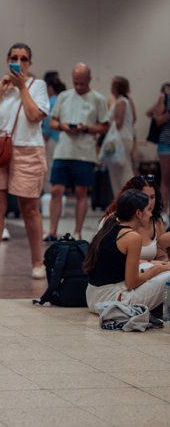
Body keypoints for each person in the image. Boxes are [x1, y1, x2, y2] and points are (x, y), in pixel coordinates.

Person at [0, 43, 50, 280]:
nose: (19, 62)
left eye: (24, 59)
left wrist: (22, 86)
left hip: (27, 151)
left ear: (30, 63)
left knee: (29, 208)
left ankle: (38, 262)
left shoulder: (38, 86)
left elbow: (35, 116)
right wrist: (0, 93)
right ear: (7, 60)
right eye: (14, 58)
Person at [43, 63, 109, 241]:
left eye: (82, 83)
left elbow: (105, 125)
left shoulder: (97, 99)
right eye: (76, 83)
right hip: (63, 150)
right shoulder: (63, 97)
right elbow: (52, 122)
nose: (78, 87)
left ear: (89, 80)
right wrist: (63, 126)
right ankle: (51, 230)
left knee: (81, 192)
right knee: (56, 190)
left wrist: (86, 128)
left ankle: (78, 231)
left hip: (84, 153)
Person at [84, 189, 170, 313]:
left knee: (148, 266)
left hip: (93, 297)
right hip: (112, 301)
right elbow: (131, 282)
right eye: (148, 210)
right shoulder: (132, 237)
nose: (151, 215)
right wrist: (157, 269)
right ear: (139, 213)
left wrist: (155, 266)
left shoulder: (111, 224)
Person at [101, 175, 166, 262]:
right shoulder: (113, 221)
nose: (149, 203)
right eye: (145, 197)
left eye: (152, 197)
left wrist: (163, 260)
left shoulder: (157, 222)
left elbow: (161, 253)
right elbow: (113, 260)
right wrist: (153, 267)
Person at [106, 76, 136, 196]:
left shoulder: (121, 102)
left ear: (116, 88)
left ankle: (129, 196)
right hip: (125, 138)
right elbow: (134, 118)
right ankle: (121, 198)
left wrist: (104, 125)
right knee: (120, 169)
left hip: (120, 139)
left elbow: (118, 123)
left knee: (122, 170)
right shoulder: (127, 100)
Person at [148, 83, 170, 218]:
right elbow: (158, 120)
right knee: (166, 179)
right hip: (166, 143)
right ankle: (163, 214)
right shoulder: (164, 97)